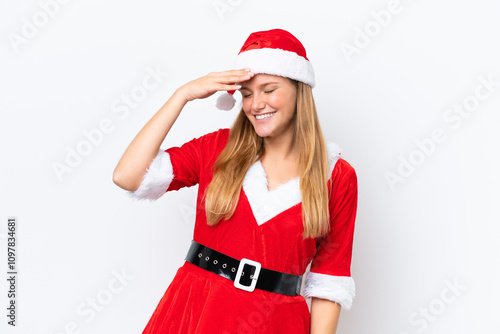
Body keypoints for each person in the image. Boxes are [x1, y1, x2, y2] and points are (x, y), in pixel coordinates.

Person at [113, 29, 358, 334]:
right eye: (246, 93)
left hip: (277, 323)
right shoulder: (217, 149)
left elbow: (329, 280)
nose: (256, 104)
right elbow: (128, 176)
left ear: (300, 90)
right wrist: (182, 95)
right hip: (195, 311)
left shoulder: (336, 176)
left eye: (269, 89)